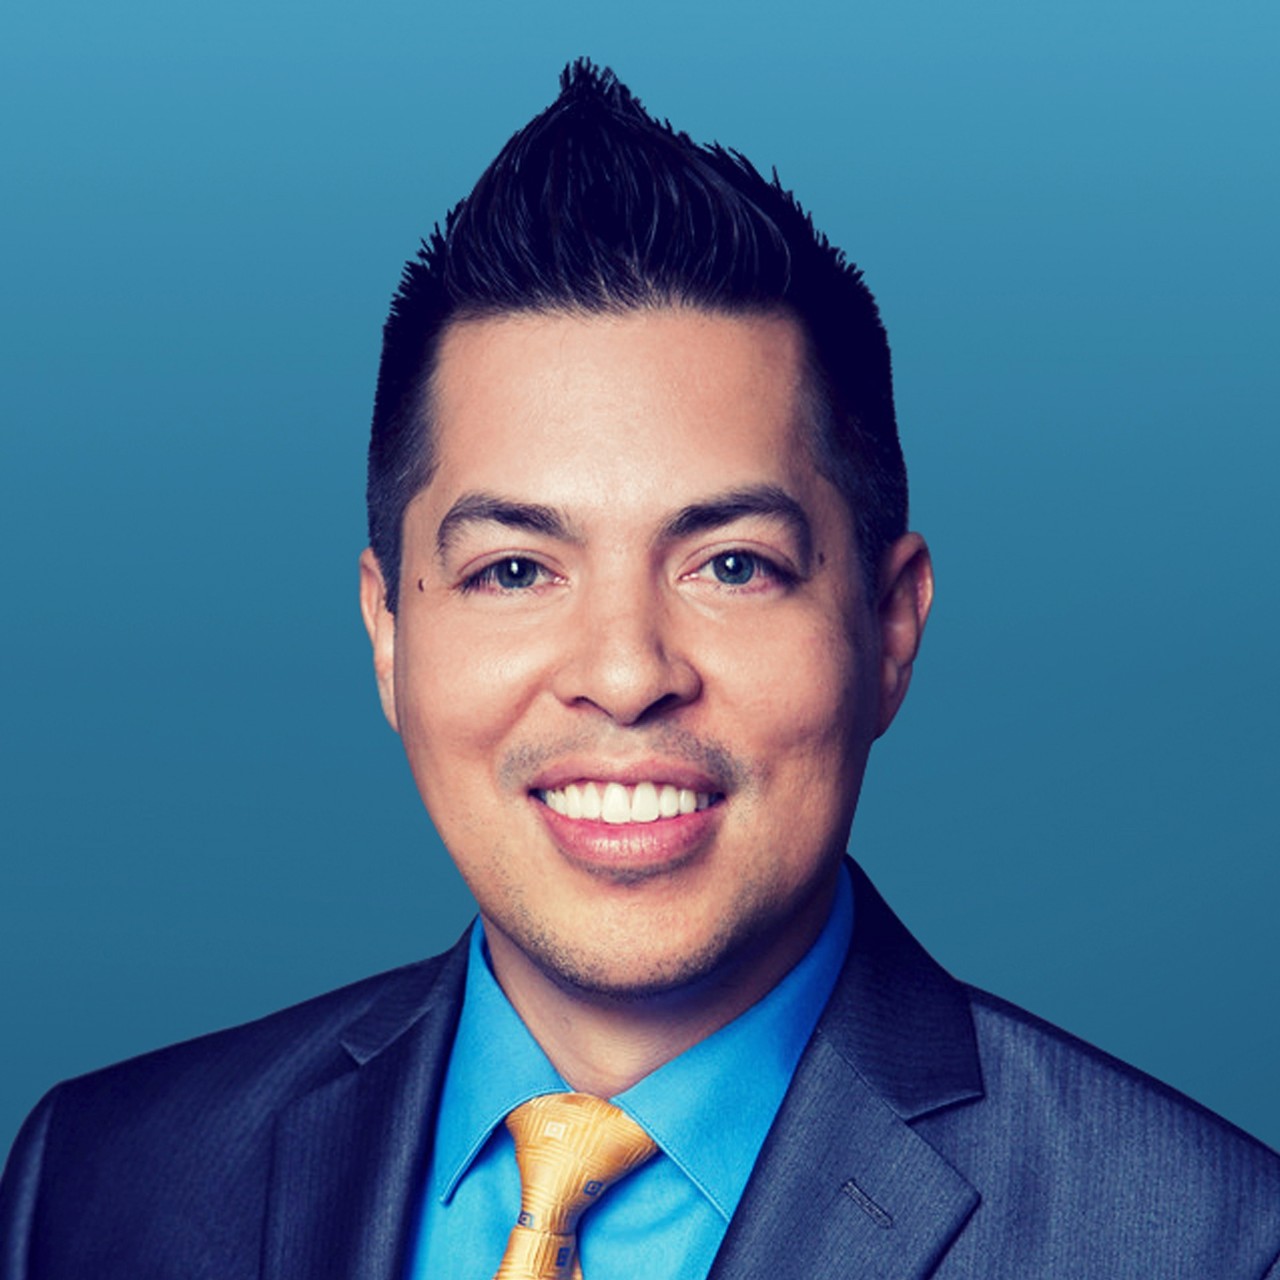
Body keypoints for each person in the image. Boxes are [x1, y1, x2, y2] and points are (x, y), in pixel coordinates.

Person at [2, 59, 1278, 1279]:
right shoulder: (102, 1178)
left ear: (888, 626)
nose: (623, 674)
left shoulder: (1202, 1242)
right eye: (514, 568)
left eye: (730, 564)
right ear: (387, 631)